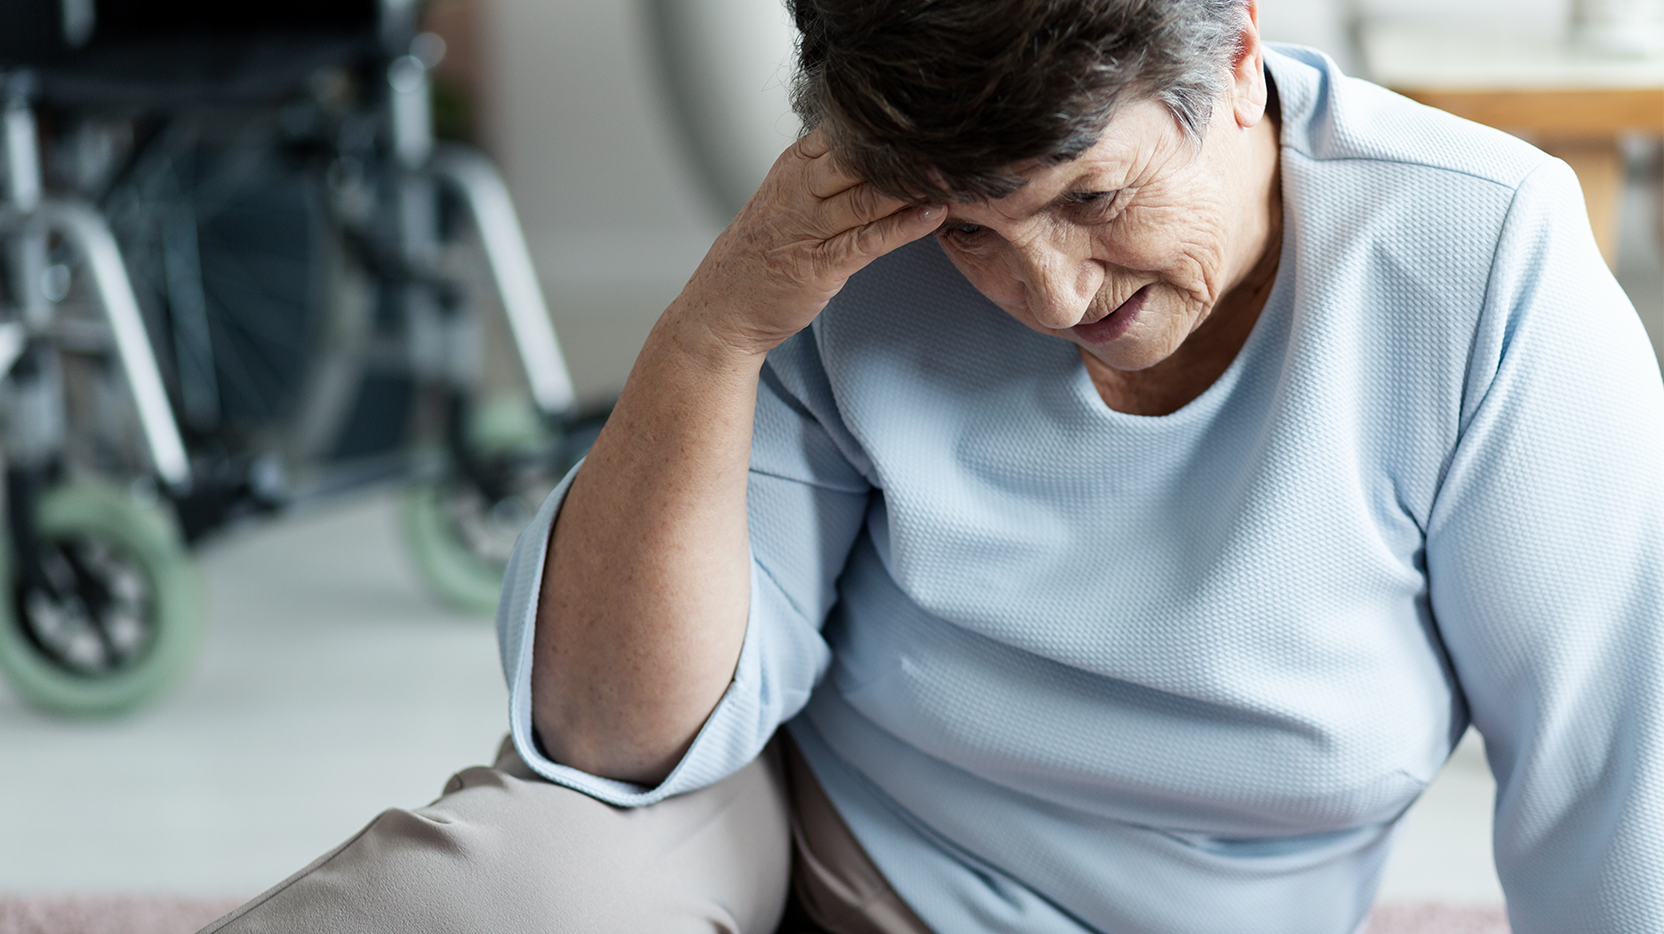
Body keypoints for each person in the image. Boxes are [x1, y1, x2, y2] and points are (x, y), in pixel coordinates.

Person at [203, 0, 1664, 932]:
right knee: (499, 885)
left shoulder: (1477, 265)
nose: (1044, 291)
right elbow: (605, 744)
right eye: (972, 226)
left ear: (1233, 54)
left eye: (1093, 196)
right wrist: (718, 330)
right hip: (790, 831)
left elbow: (1616, 784)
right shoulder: (855, 234)